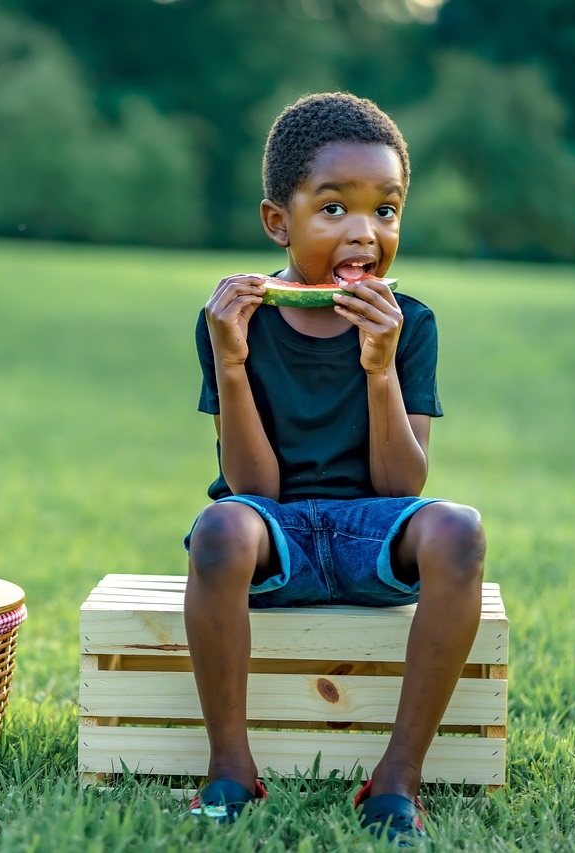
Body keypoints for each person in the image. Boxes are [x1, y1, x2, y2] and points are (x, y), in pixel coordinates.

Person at [183, 92, 487, 844]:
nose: (364, 232)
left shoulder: (409, 322)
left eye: (385, 210)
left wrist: (379, 370)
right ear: (277, 222)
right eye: (333, 210)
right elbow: (255, 488)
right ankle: (230, 767)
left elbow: (399, 487)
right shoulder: (233, 316)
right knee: (219, 525)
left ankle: (396, 780)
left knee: (458, 529)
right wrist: (231, 363)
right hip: (273, 530)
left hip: (371, 529)